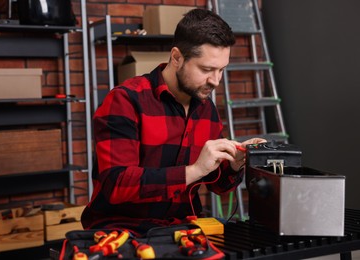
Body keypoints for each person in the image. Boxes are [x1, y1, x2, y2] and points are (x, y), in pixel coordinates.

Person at [81, 8, 265, 236]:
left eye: (221, 70)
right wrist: (193, 170)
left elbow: (218, 186)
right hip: (123, 230)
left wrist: (235, 163)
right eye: (207, 69)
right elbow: (117, 184)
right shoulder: (125, 100)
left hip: (183, 227)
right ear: (177, 57)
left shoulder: (206, 108)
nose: (216, 81)